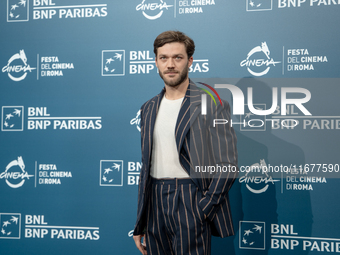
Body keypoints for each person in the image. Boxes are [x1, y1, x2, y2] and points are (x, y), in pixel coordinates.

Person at [133, 30, 238, 255]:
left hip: (190, 200)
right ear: (156, 62)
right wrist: (141, 221)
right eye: (164, 58)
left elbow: (227, 165)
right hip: (154, 203)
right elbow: (146, 167)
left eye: (177, 57)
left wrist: (204, 207)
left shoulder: (211, 103)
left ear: (190, 61)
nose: (170, 64)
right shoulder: (148, 108)